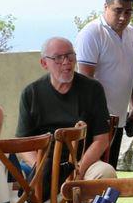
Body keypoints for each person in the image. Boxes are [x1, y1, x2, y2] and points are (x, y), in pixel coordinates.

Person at [16, 37, 116, 179]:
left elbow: (101, 140)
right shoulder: (31, 93)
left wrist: (78, 169)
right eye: (58, 58)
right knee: (5, 174)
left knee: (106, 173)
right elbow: (23, 143)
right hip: (44, 166)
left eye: (70, 55)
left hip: (83, 163)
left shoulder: (93, 89)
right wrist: (44, 171)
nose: (66, 62)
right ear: (44, 63)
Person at [74, 0, 133, 169]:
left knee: (109, 170)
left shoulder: (132, 33)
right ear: (105, 7)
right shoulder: (92, 33)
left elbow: (130, 70)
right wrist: (100, 116)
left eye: (128, 12)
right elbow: (86, 80)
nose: (123, 17)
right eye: (117, 10)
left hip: (118, 118)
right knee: (92, 172)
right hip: (97, 120)